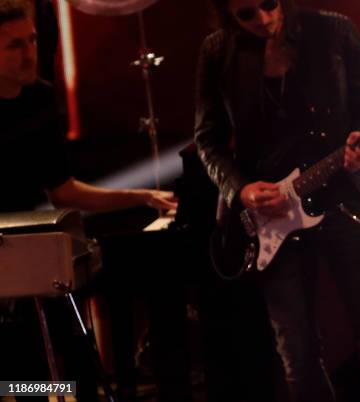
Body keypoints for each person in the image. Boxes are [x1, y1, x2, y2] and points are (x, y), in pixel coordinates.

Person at [194, 0, 360, 401]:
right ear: (227, 13)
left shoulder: (335, 31)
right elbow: (207, 139)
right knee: (295, 350)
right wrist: (240, 190)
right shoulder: (216, 50)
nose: (263, 19)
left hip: (340, 196)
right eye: (246, 14)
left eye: (268, 4)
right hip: (271, 214)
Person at [0, 1, 176, 400]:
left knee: (73, 358)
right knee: (18, 373)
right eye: (14, 46)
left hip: (32, 251)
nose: (30, 53)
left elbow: (64, 191)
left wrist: (144, 196)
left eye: (32, 40)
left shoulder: (39, 98)